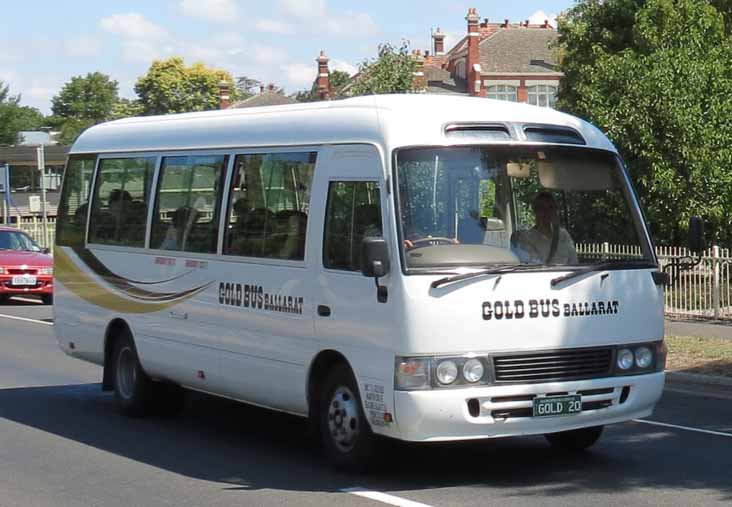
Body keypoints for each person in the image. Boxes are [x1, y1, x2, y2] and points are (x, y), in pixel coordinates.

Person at [512, 191, 577, 264]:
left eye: (551, 207)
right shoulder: (526, 238)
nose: (547, 211)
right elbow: (535, 266)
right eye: (542, 208)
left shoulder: (563, 235)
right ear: (535, 211)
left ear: (555, 210)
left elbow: (574, 262)